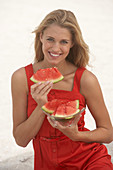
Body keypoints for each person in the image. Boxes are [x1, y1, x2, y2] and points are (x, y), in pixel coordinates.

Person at [11, 9, 113, 170]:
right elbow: (21, 140)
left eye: (64, 42)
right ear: (41, 37)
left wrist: (76, 135)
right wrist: (41, 106)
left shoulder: (85, 79)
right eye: (50, 39)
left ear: (72, 43)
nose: (56, 48)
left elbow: (107, 133)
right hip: (47, 164)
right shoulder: (21, 78)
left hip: (89, 160)